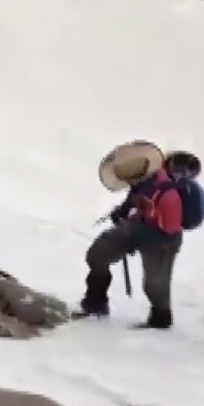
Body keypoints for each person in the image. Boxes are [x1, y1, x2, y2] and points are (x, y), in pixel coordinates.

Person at [78, 140, 184, 329]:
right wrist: (123, 213)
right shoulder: (141, 183)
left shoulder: (168, 195)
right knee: (99, 253)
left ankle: (160, 318)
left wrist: (142, 236)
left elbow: (169, 229)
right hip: (138, 226)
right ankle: (95, 303)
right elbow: (133, 201)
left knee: (155, 284)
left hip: (162, 239)